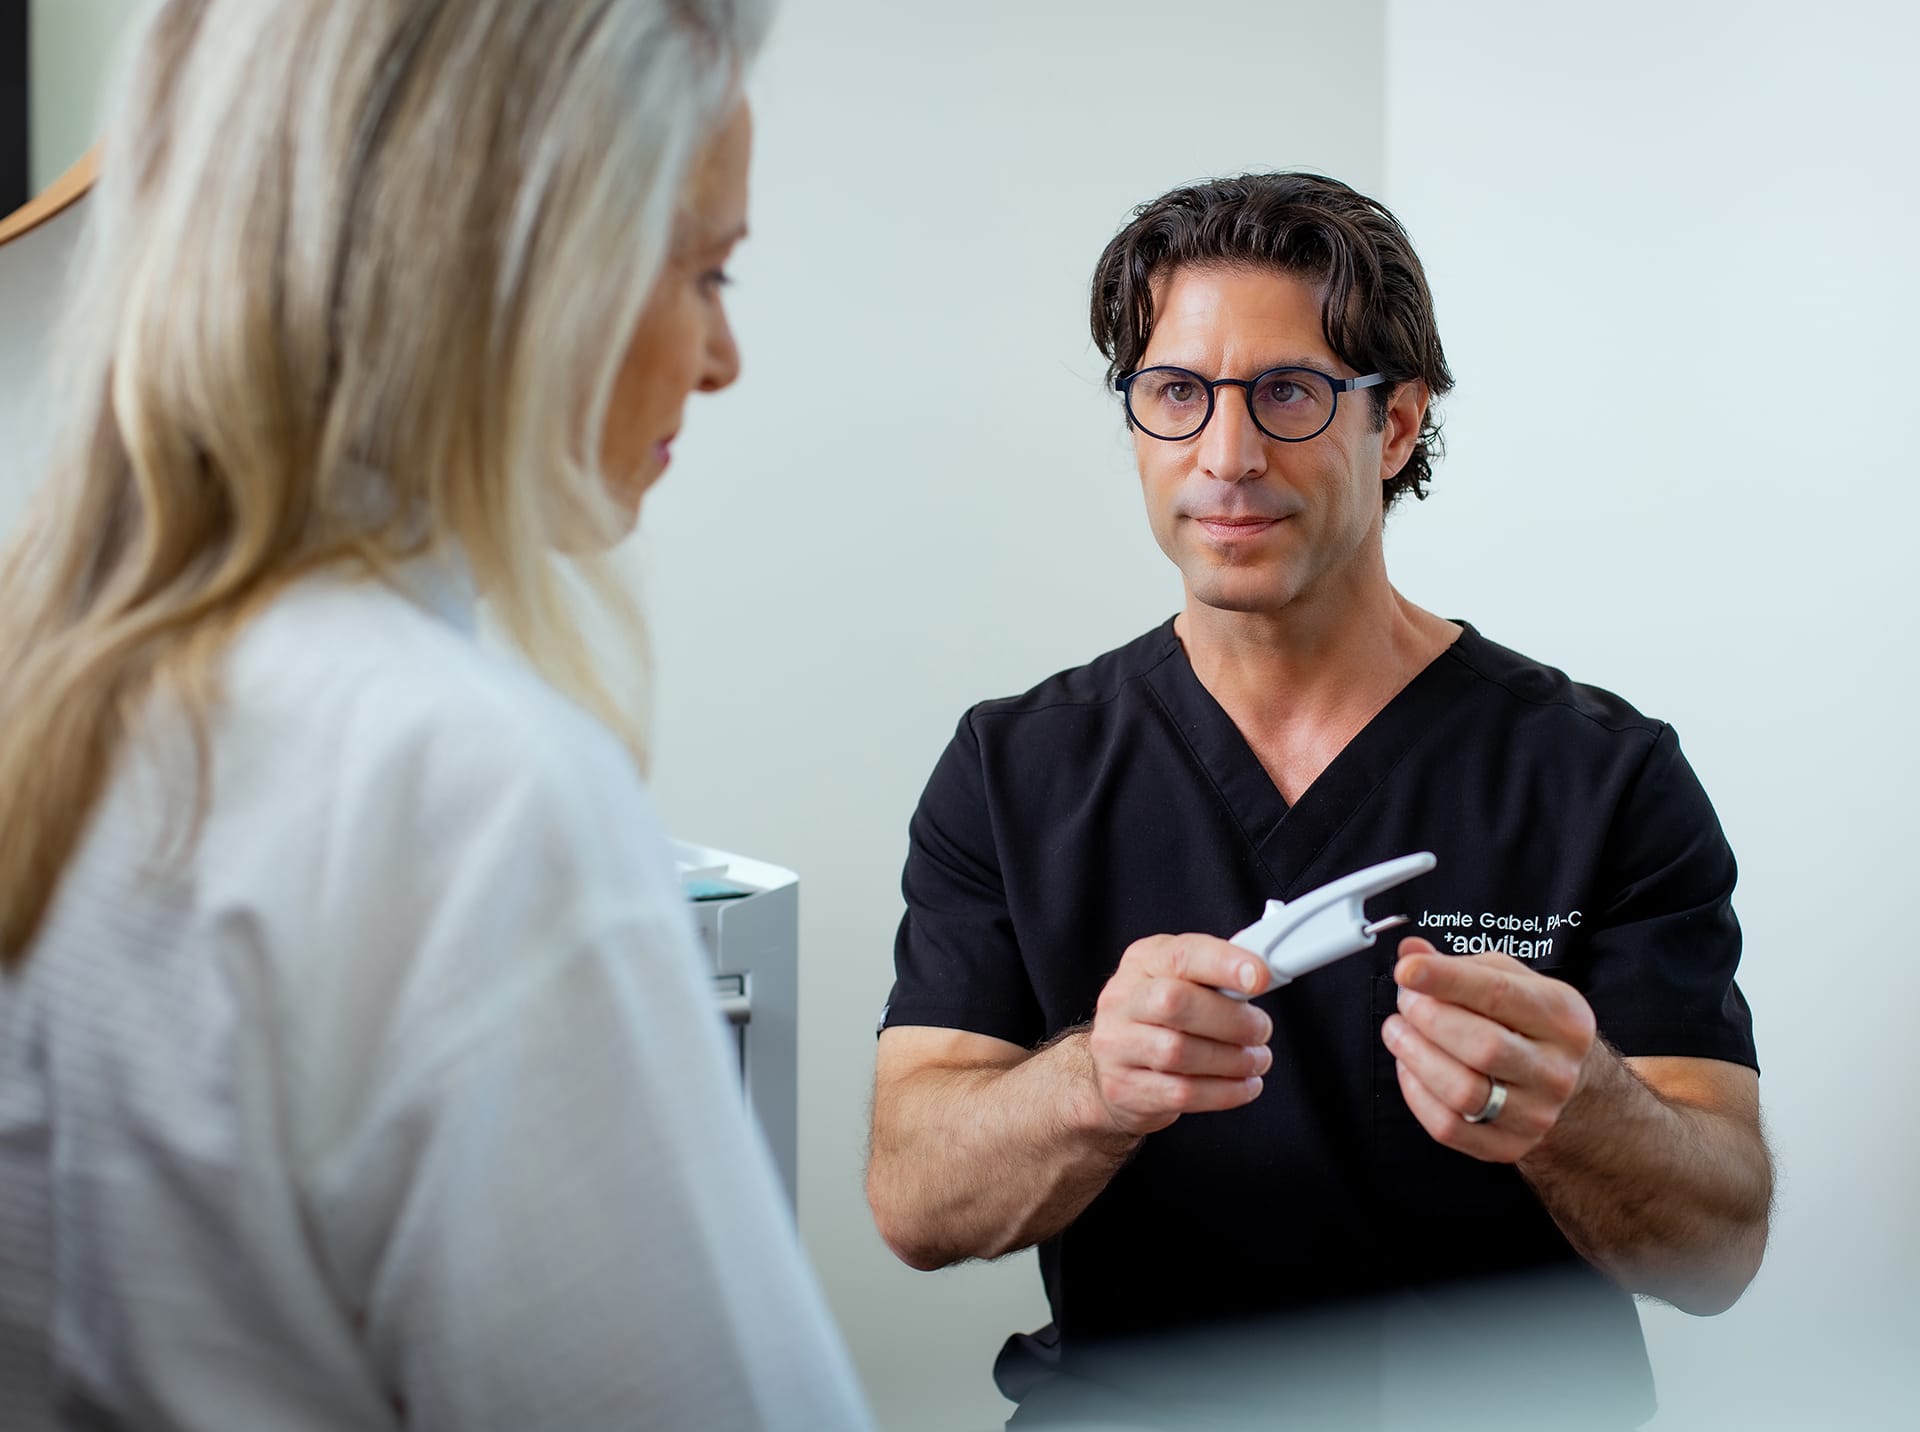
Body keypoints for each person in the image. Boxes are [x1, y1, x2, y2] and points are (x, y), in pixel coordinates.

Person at [0, 2, 870, 1429]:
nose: (723, 360)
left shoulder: (55, 700)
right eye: (704, 271)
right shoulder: (456, 789)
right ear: (520, 265)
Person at [867, 172, 1772, 1427]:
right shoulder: (1015, 768)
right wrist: (1095, 1082)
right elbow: (912, 1200)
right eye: (1176, 394)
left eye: (1288, 394)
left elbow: (1719, 1246)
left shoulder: (1599, 773)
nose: (1225, 458)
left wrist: (1586, 1108)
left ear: (1395, 424)